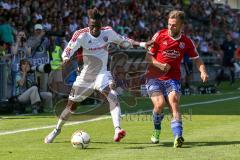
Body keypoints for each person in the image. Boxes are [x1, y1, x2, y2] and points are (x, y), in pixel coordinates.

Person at [44, 8, 145, 144]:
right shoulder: (81, 35)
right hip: (85, 76)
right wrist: (66, 58)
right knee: (71, 107)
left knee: (112, 96)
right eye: (92, 26)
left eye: (97, 26)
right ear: (88, 24)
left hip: (102, 73)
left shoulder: (108, 32)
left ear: (101, 24)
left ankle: (117, 130)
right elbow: (69, 49)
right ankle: (57, 130)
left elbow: (123, 41)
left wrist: (142, 44)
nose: (95, 29)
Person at [145, 10, 208, 148]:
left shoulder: (186, 42)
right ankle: (156, 130)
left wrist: (202, 71)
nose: (170, 27)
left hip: (172, 78)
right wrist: (160, 65)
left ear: (181, 26)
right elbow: (148, 57)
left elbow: (197, 59)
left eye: (174, 25)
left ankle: (178, 136)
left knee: (173, 102)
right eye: (169, 24)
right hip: (153, 77)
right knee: (160, 104)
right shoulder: (159, 35)